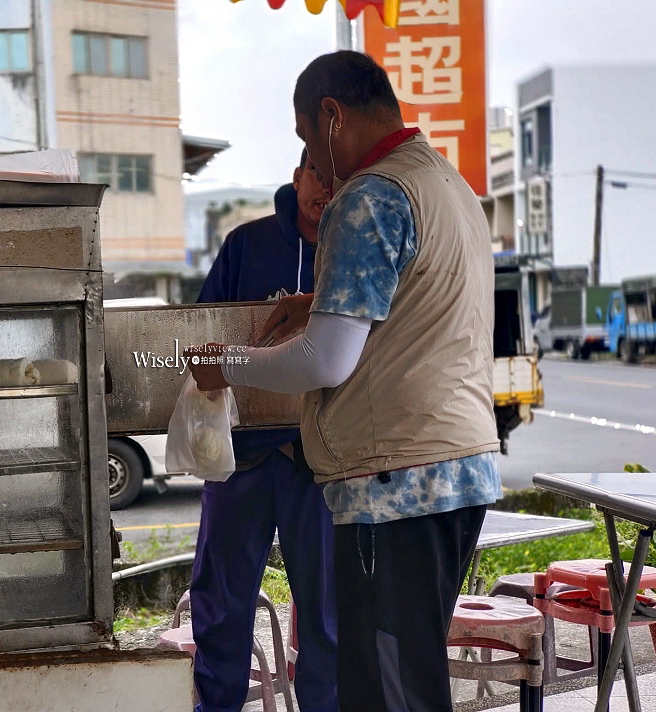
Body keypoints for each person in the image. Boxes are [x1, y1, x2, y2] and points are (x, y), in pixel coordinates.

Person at [186, 51, 502, 712]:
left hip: (395, 480)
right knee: (409, 680)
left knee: (384, 691)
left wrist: (227, 366)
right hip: (456, 468)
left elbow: (325, 362)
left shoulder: (370, 196)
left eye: (307, 140)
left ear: (332, 118)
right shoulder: (445, 182)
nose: (313, 165)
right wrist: (320, 301)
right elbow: (417, 309)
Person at [190, 150, 338, 712]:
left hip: (320, 462)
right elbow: (205, 330)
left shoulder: (353, 252)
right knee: (221, 607)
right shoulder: (246, 245)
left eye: (334, 178)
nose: (324, 189)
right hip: (242, 460)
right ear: (297, 178)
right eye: (314, 176)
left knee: (327, 617)